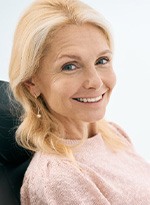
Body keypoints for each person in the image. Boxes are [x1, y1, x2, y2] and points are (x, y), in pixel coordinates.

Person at [9, 0, 150, 204]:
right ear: (32, 82)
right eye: (70, 66)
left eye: (102, 61)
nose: (95, 81)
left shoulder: (113, 134)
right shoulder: (58, 178)